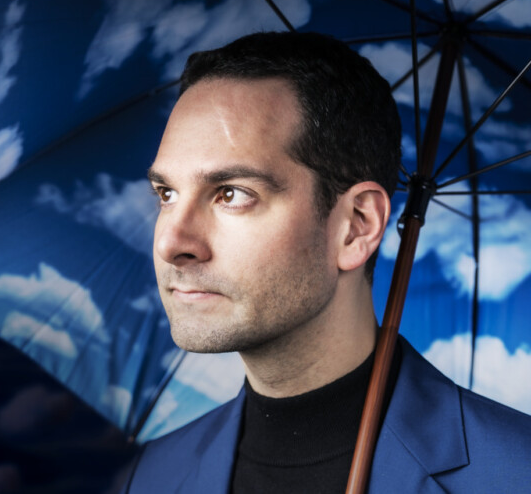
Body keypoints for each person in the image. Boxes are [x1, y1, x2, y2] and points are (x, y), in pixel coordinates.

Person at [120, 32, 531, 493]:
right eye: (166, 193)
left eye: (231, 194)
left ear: (356, 226)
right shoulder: (147, 478)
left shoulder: (517, 475)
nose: (171, 242)